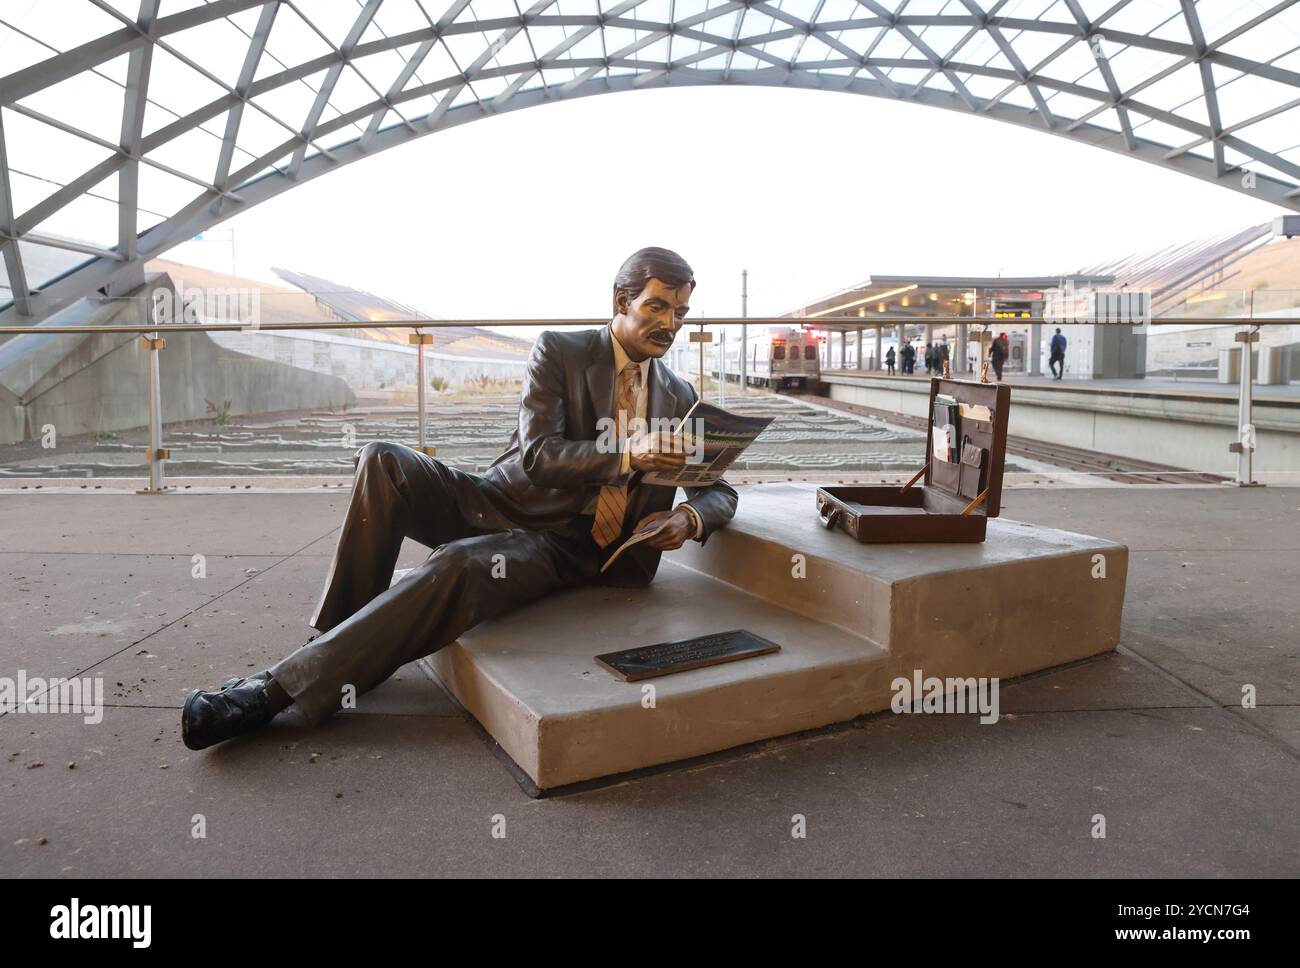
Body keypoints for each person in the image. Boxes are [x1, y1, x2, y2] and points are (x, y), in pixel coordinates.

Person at [181, 247, 739, 750]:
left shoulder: (679, 396)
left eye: (682, 314)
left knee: (459, 564)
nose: (671, 324)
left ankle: (276, 689)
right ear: (621, 300)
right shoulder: (561, 352)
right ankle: (338, 641)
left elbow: (719, 490)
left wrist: (690, 517)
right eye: (658, 307)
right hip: (496, 498)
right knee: (382, 457)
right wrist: (625, 456)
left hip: (563, 546)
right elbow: (537, 454)